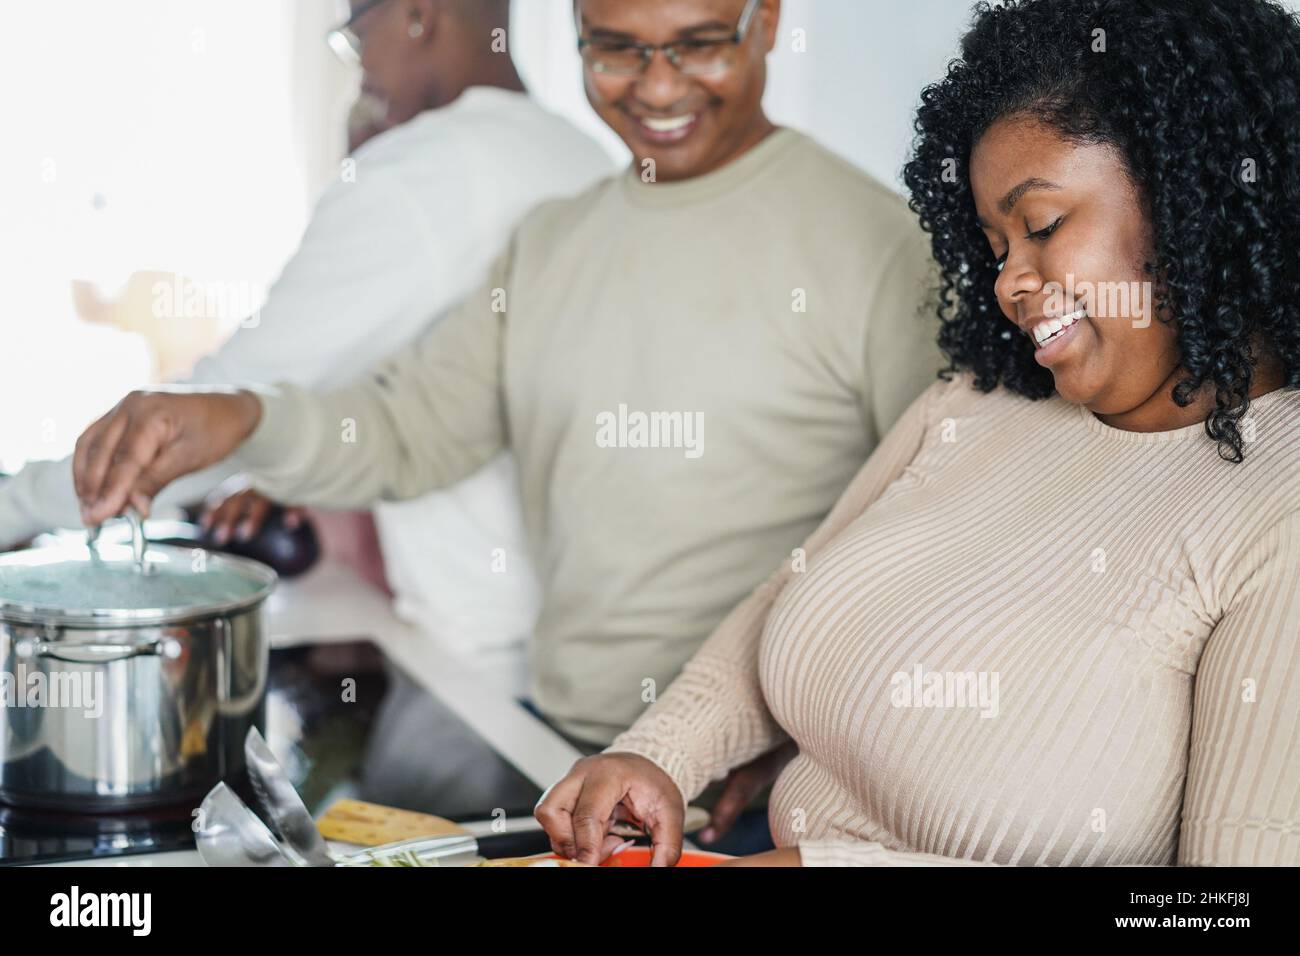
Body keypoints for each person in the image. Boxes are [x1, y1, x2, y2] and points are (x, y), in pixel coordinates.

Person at [66, 0, 943, 853]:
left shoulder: (879, 245)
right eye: (614, 49)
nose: (658, 85)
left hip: (760, 799)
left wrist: (808, 737)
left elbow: (943, 526)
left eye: (698, 44)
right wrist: (243, 415)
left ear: (770, 22)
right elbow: (407, 429)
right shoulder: (552, 242)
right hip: (564, 760)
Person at [534, 0, 1300, 867]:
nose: (1012, 280)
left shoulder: (1279, 519)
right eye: (994, 243)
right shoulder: (975, 401)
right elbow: (785, 596)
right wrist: (660, 754)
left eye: (1041, 226)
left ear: (1189, 195)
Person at [0, 0, 614, 687]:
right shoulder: (578, 153)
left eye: (357, 41)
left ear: (417, 15)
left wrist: (15, 506)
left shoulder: (423, 172)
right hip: (574, 649)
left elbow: (208, 415)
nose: (361, 76)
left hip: (474, 656)